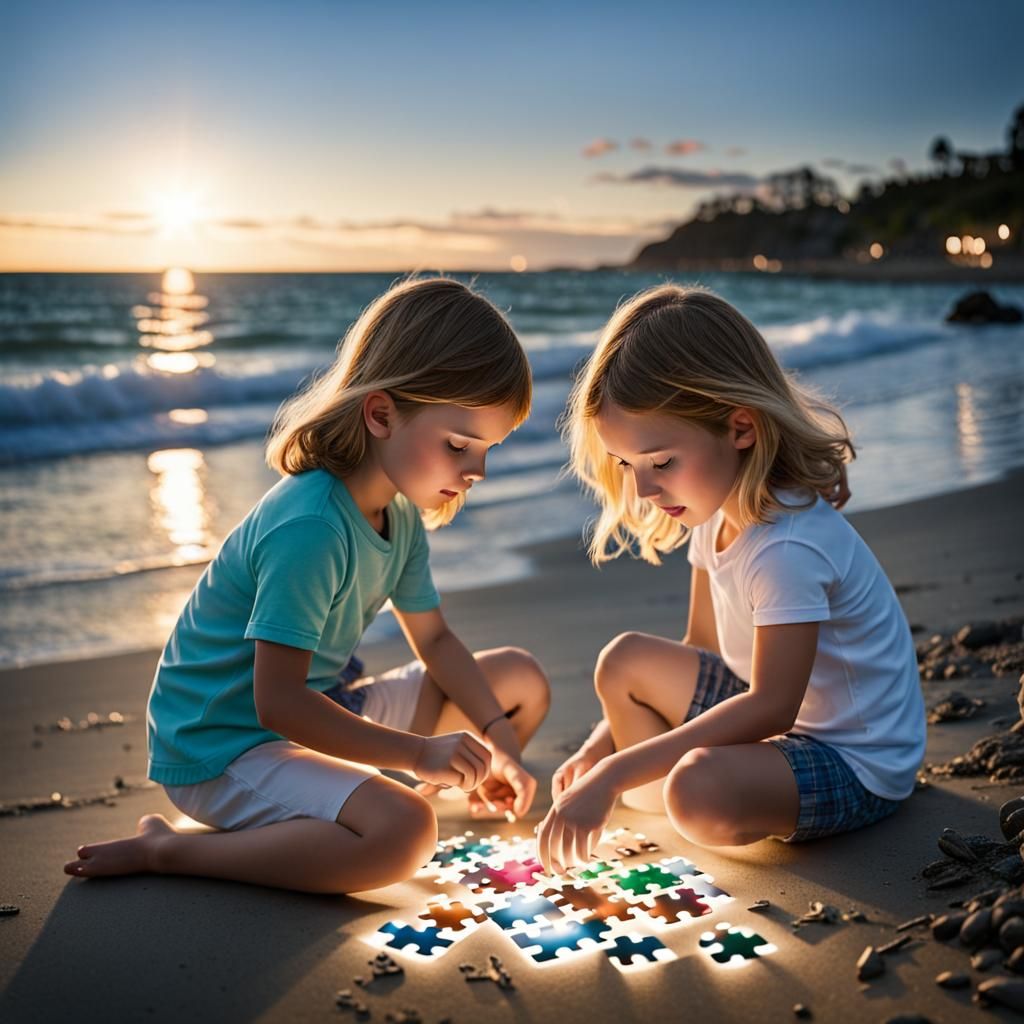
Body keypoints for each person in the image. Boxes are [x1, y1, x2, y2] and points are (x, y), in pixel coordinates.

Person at [64, 277, 550, 894]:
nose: (477, 470)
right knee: (406, 833)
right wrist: (418, 755)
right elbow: (278, 704)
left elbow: (436, 640)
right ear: (381, 413)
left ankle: (356, 801)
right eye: (459, 445)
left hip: (322, 706)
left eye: (487, 450)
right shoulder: (311, 526)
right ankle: (171, 852)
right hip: (225, 746)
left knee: (520, 682)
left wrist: (500, 744)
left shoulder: (398, 514)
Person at [536, 284, 923, 874]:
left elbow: (772, 707)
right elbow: (702, 651)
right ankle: (674, 782)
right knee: (623, 662)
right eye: (627, 465)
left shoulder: (787, 547)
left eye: (661, 462)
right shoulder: (715, 510)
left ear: (740, 428)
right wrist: (600, 747)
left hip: (854, 758)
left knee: (694, 792)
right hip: (767, 716)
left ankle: (694, 786)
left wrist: (615, 771)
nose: (642, 489)